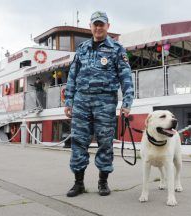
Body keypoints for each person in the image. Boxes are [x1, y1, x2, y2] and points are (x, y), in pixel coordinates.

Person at [64, 11, 134, 197]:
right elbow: (72, 76)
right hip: (81, 101)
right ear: (90, 26)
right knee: (78, 142)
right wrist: (68, 100)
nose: (98, 27)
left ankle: (103, 182)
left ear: (107, 26)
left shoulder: (117, 49)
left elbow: (126, 77)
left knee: (105, 142)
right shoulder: (82, 48)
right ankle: (78, 183)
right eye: (95, 24)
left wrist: (127, 102)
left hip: (105, 102)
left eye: (101, 24)